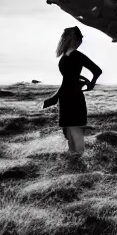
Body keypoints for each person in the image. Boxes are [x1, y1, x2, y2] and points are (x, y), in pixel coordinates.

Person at [43, 26, 102, 155]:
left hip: (74, 98)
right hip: (66, 98)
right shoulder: (65, 56)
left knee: (75, 132)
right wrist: (56, 97)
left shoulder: (76, 55)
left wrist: (91, 84)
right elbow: (68, 79)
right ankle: (74, 163)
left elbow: (97, 70)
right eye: (79, 39)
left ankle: (80, 163)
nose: (80, 42)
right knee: (69, 135)